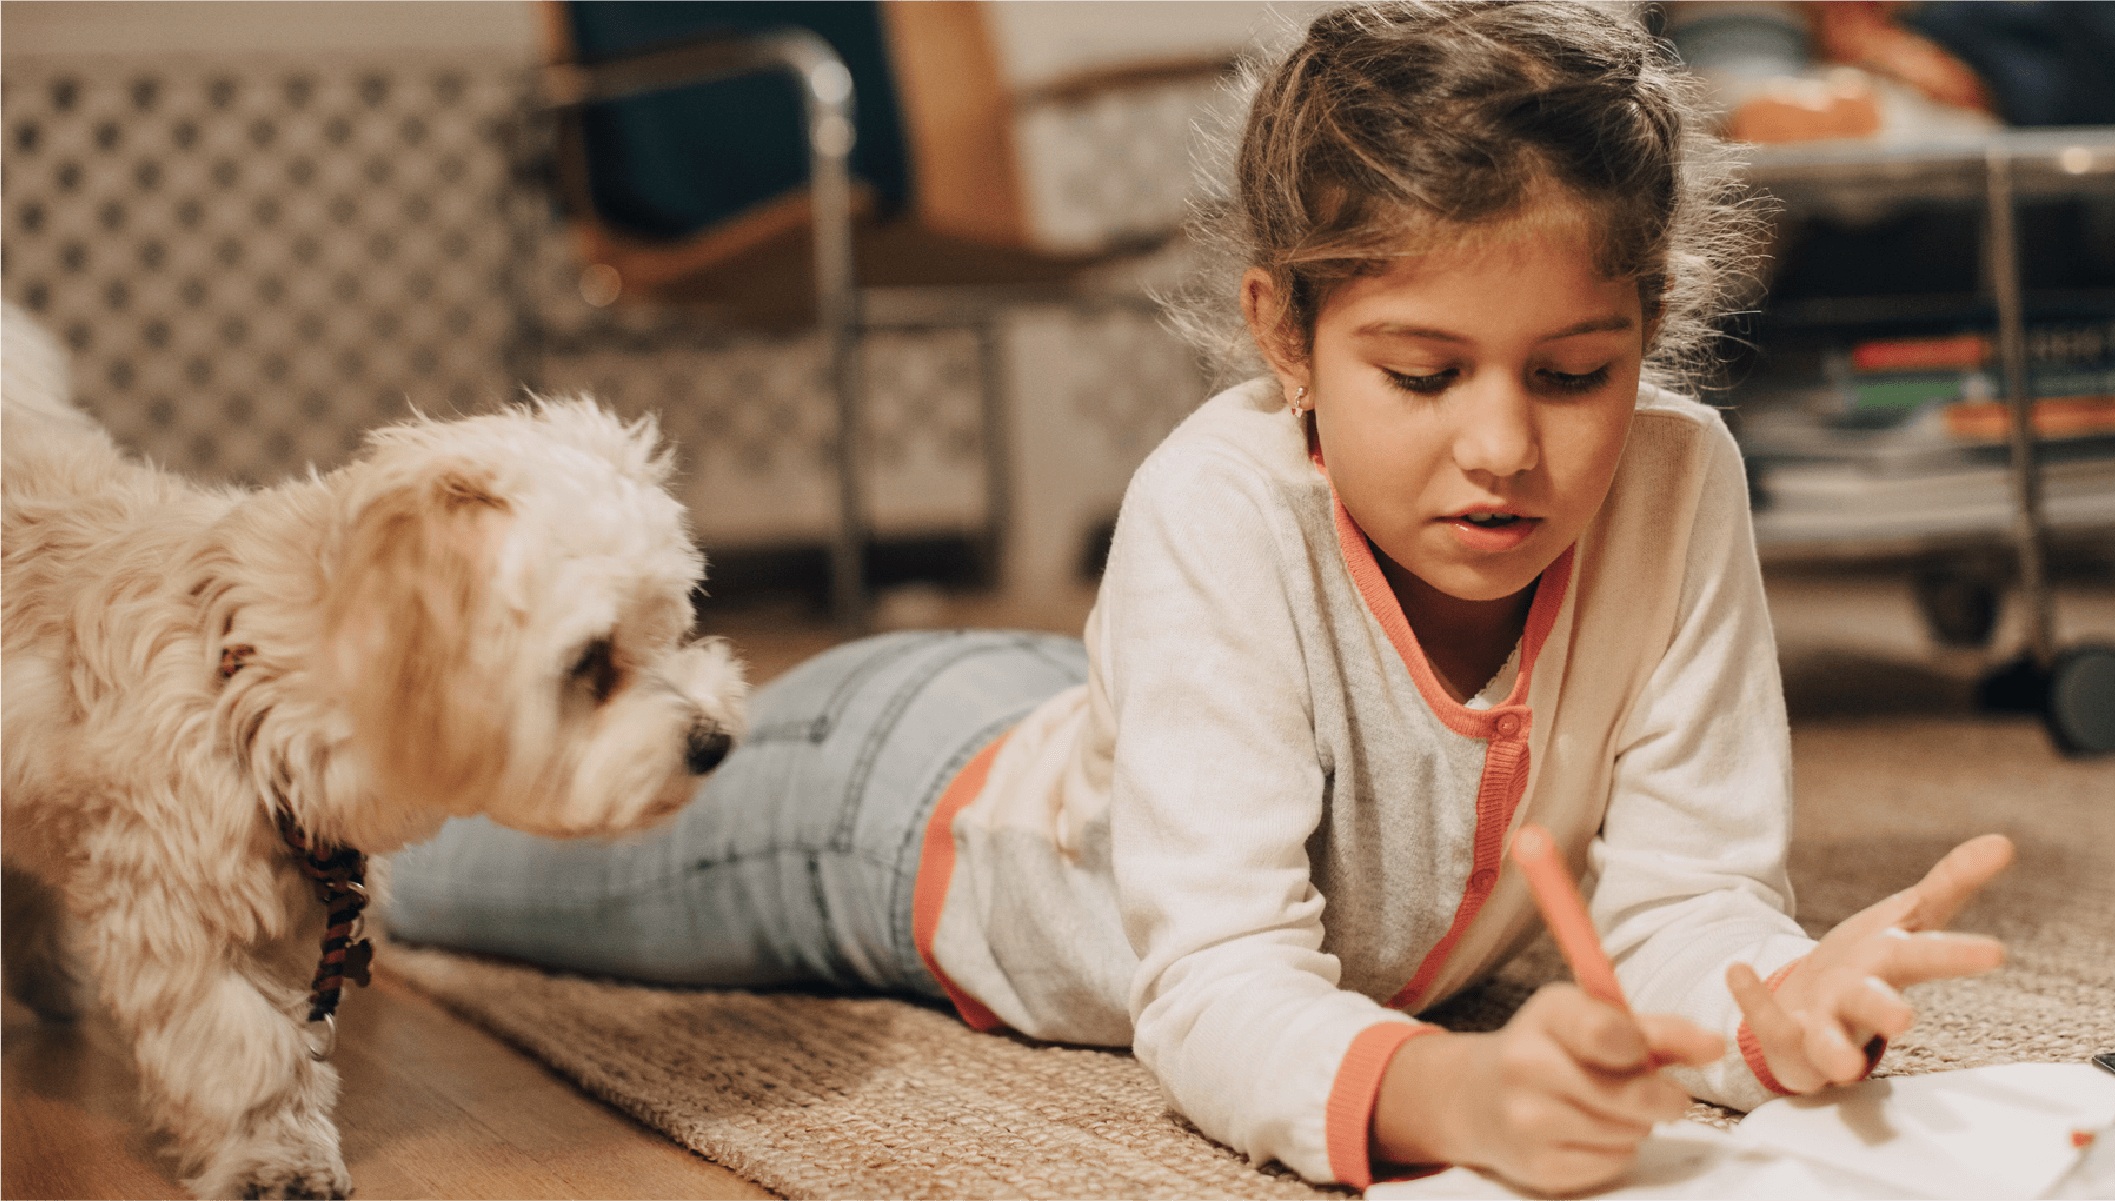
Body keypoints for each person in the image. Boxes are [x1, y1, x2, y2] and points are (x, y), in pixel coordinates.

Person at [385, 1, 2016, 1192]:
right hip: (887, 813)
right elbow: (1217, 990)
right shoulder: (1212, 504)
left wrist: (1768, 1006)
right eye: (1425, 371)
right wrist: (1453, 1097)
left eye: (1579, 372)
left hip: (1093, 716)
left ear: (1646, 331)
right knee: (423, 873)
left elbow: (1678, 901)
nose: (1505, 449)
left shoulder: (1685, 479)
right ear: (1284, 334)